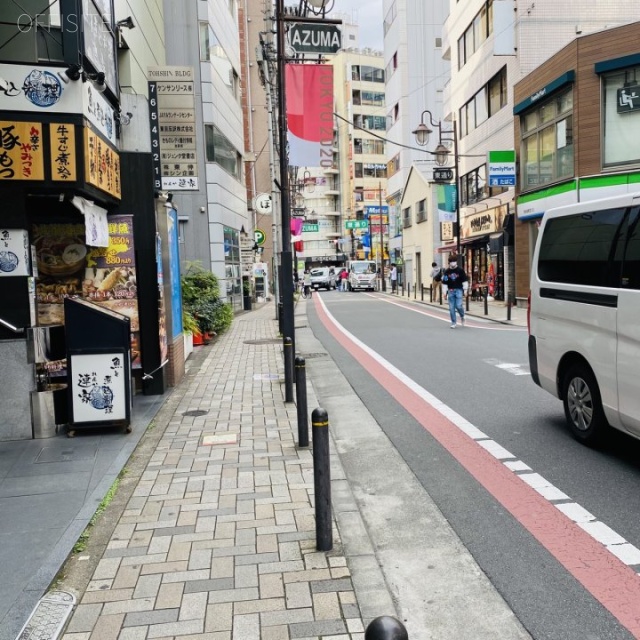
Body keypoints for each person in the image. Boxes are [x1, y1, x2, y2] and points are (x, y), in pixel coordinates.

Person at [441, 255, 469, 328]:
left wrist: (465, 290)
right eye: (451, 262)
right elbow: (444, 283)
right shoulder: (447, 271)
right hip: (450, 291)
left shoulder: (460, 270)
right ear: (449, 263)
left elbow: (464, 280)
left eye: (454, 261)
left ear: (456, 262)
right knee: (451, 308)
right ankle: (453, 323)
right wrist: (444, 293)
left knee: (459, 306)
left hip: (459, 290)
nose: (453, 263)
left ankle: (462, 316)